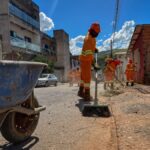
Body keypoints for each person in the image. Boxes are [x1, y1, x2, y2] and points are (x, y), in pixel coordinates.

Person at [77, 22, 101, 101]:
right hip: (85, 60)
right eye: (97, 33)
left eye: (98, 33)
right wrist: (94, 64)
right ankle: (87, 95)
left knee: (83, 77)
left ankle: (80, 91)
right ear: (92, 31)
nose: (97, 34)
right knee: (87, 77)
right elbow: (89, 54)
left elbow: (92, 46)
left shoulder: (92, 36)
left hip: (85, 59)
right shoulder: (88, 39)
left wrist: (95, 49)